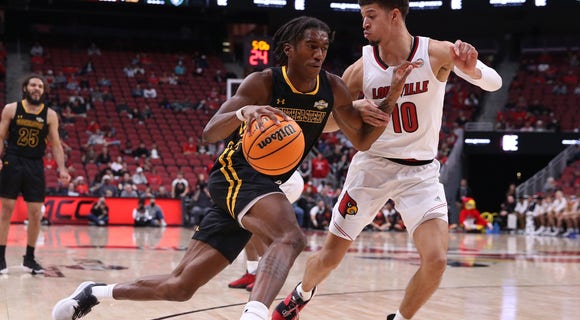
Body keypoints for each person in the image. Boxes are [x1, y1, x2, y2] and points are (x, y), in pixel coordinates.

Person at [52, 16, 415, 320]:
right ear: (288, 48)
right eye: (311, 46)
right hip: (236, 174)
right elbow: (210, 130)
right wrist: (245, 112)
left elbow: (364, 139)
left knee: (180, 287)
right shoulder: (264, 82)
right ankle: (255, 314)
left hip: (266, 184)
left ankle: (93, 293)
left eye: (323, 47)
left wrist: (394, 91)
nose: (319, 54)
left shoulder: (332, 88)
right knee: (291, 237)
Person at [273, 2, 502, 319]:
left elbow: (494, 83)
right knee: (329, 258)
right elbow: (325, 122)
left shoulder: (435, 52)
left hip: (420, 173)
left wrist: (473, 67)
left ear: (394, 15)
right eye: (362, 17)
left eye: (370, 16)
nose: (364, 24)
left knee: (436, 260)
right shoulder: (359, 70)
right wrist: (353, 110)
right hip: (372, 168)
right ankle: (301, 294)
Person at [0, 74, 71, 274]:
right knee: (6, 212)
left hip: (34, 165)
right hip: (12, 161)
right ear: (25, 88)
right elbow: (0, 136)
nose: (36, 88)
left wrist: (62, 168)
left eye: (40, 86)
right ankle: (0, 258)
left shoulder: (50, 115)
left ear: (43, 90)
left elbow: (56, 145)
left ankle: (29, 259)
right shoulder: (11, 109)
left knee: (35, 214)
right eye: (33, 85)